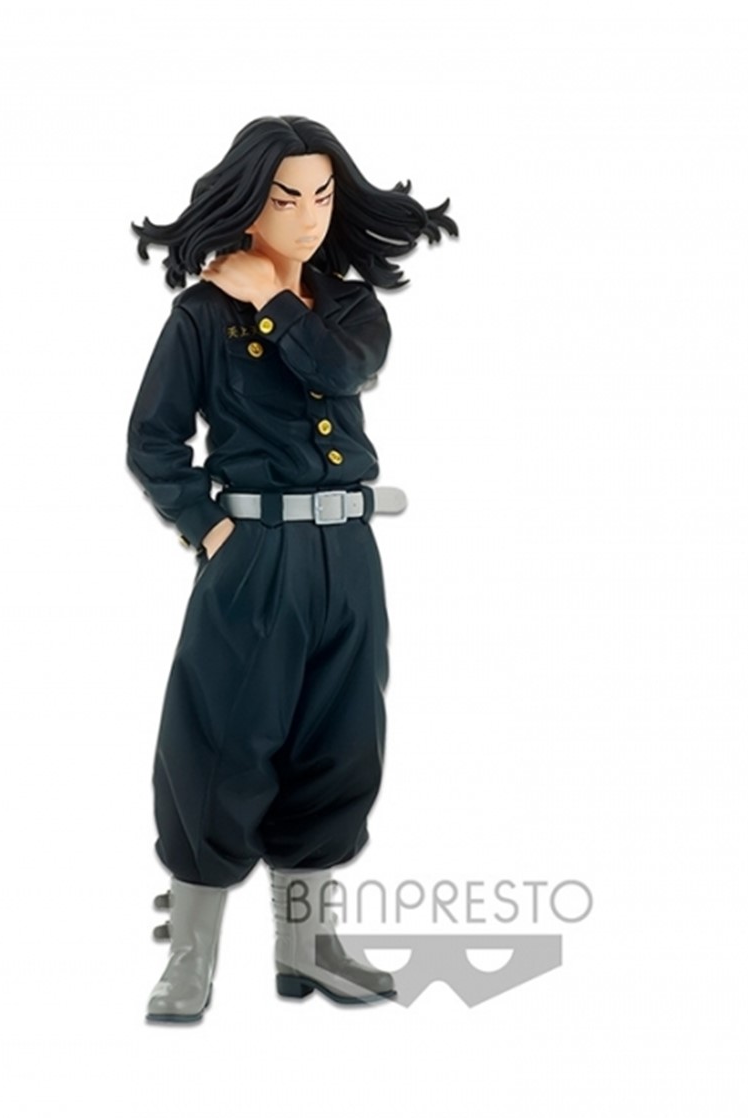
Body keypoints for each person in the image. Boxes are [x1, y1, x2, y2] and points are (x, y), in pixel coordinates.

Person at [127, 115, 455, 1023]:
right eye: (284, 199)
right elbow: (153, 440)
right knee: (220, 740)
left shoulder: (350, 310)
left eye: (322, 196)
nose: (308, 218)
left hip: (349, 552)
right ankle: (191, 952)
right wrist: (209, 529)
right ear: (247, 203)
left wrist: (272, 300)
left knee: (341, 737)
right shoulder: (201, 315)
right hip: (255, 554)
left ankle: (306, 944)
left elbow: (343, 372)